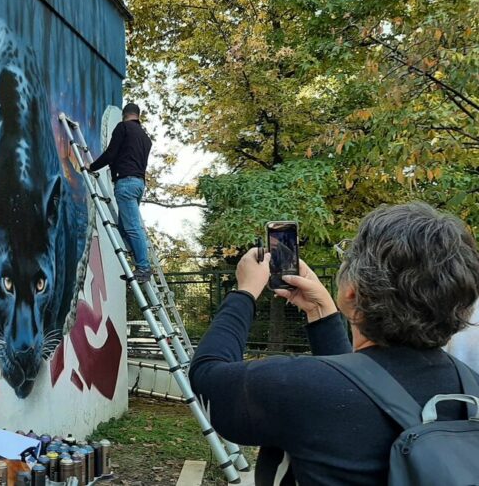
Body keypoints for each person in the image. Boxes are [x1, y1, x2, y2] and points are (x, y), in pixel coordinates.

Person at [189, 202, 479, 485]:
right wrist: (320, 312)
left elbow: (206, 378)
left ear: (352, 293)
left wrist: (245, 291)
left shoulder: (299, 385)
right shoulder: (472, 386)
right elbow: (364, 386)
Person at [89, 103, 153, 283]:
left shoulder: (123, 128)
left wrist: (91, 167)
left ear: (124, 115)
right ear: (137, 116)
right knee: (124, 230)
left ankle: (143, 267)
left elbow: (110, 153)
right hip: (139, 184)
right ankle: (139, 264)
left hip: (125, 183)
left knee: (132, 228)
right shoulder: (145, 139)